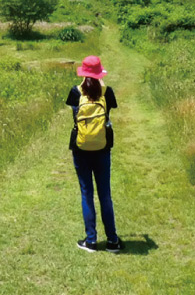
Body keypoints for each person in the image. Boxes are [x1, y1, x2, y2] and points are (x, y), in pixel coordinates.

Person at [67, 55, 123, 253]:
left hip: (80, 148)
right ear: (100, 73)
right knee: (105, 194)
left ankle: (91, 241)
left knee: (87, 193)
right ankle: (112, 241)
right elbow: (108, 113)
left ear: (83, 73)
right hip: (102, 148)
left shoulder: (76, 92)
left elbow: (75, 114)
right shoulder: (107, 92)